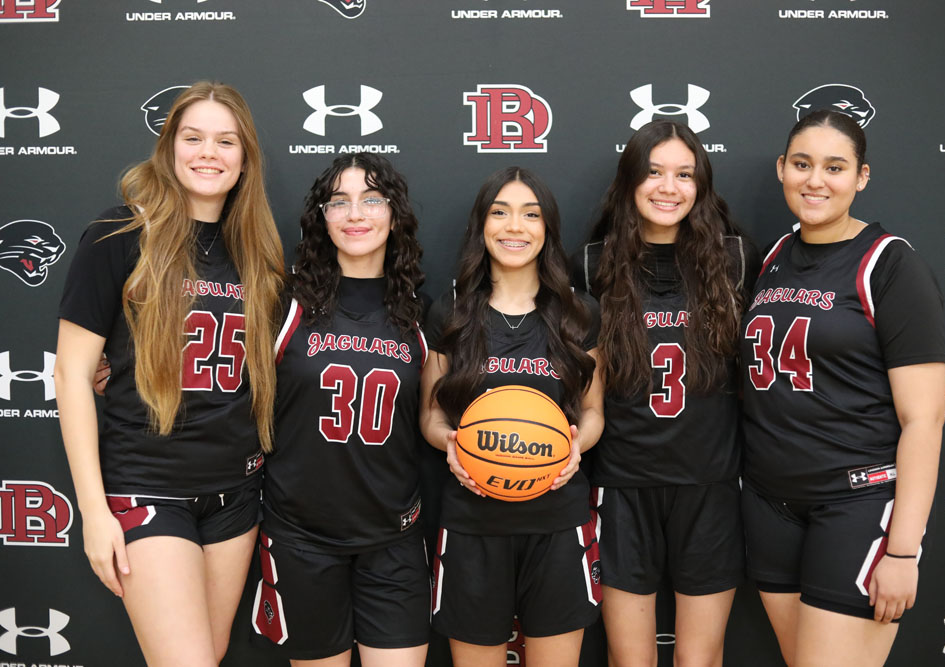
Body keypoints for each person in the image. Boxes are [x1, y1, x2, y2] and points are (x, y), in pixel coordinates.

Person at [54, 81, 285, 666]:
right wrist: (93, 512)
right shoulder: (118, 235)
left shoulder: (258, 252)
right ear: (170, 147)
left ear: (245, 158)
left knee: (211, 651)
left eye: (225, 141)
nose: (209, 152)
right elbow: (73, 375)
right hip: (149, 486)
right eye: (194, 137)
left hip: (237, 493)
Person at [740, 109, 945, 666]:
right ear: (782, 168)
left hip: (855, 502)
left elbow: (924, 419)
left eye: (835, 167)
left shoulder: (889, 265)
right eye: (802, 164)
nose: (816, 180)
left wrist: (902, 550)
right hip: (769, 503)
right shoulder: (774, 258)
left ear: (861, 177)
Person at [573, 120, 758, 667]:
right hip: (622, 486)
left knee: (699, 659)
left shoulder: (736, 260)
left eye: (684, 174)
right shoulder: (591, 264)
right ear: (629, 181)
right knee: (630, 659)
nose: (668, 187)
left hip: (711, 486)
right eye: (653, 172)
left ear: (700, 185)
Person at [249, 153, 430, 666]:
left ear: (394, 215)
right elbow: (215, 383)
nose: (356, 214)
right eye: (340, 201)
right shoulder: (283, 306)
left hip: (392, 540)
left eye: (372, 200)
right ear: (321, 217)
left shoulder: (419, 312)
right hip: (301, 539)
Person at [420, 166, 604, 667]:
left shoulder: (578, 313)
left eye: (530, 214)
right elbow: (431, 418)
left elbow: (592, 412)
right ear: (481, 226)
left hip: (558, 521)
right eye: (499, 213)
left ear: (548, 230)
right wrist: (452, 446)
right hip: (472, 523)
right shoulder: (452, 312)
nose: (514, 227)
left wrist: (574, 447)